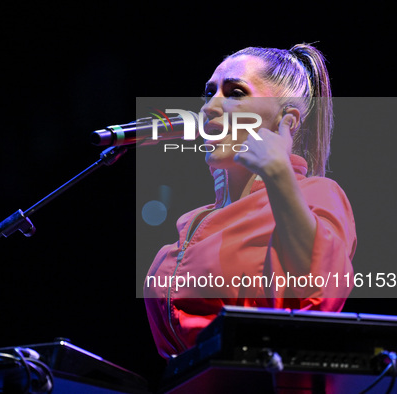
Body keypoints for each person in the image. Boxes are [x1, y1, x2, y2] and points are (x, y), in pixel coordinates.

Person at [143, 43, 357, 359]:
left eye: (235, 93)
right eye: (209, 93)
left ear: (286, 121)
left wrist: (278, 175)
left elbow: (320, 297)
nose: (208, 108)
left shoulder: (316, 196)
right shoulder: (189, 226)